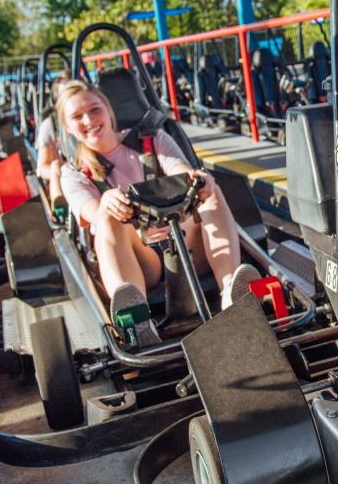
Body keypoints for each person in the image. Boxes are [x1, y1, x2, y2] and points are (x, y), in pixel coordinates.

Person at [56, 79, 259, 338]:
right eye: (77, 116)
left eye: (95, 110)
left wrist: (199, 181)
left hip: (187, 244)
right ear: (68, 127)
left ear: (108, 111)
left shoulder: (152, 139)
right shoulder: (73, 173)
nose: (88, 120)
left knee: (211, 191)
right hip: (140, 259)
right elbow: (92, 212)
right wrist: (108, 202)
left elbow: (181, 171)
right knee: (108, 215)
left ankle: (231, 291)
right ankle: (136, 320)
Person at [35, 70, 70, 215]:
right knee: (56, 165)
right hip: (65, 175)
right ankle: (61, 212)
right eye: (66, 94)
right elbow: (41, 168)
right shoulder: (50, 125)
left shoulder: (92, 120)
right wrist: (58, 171)